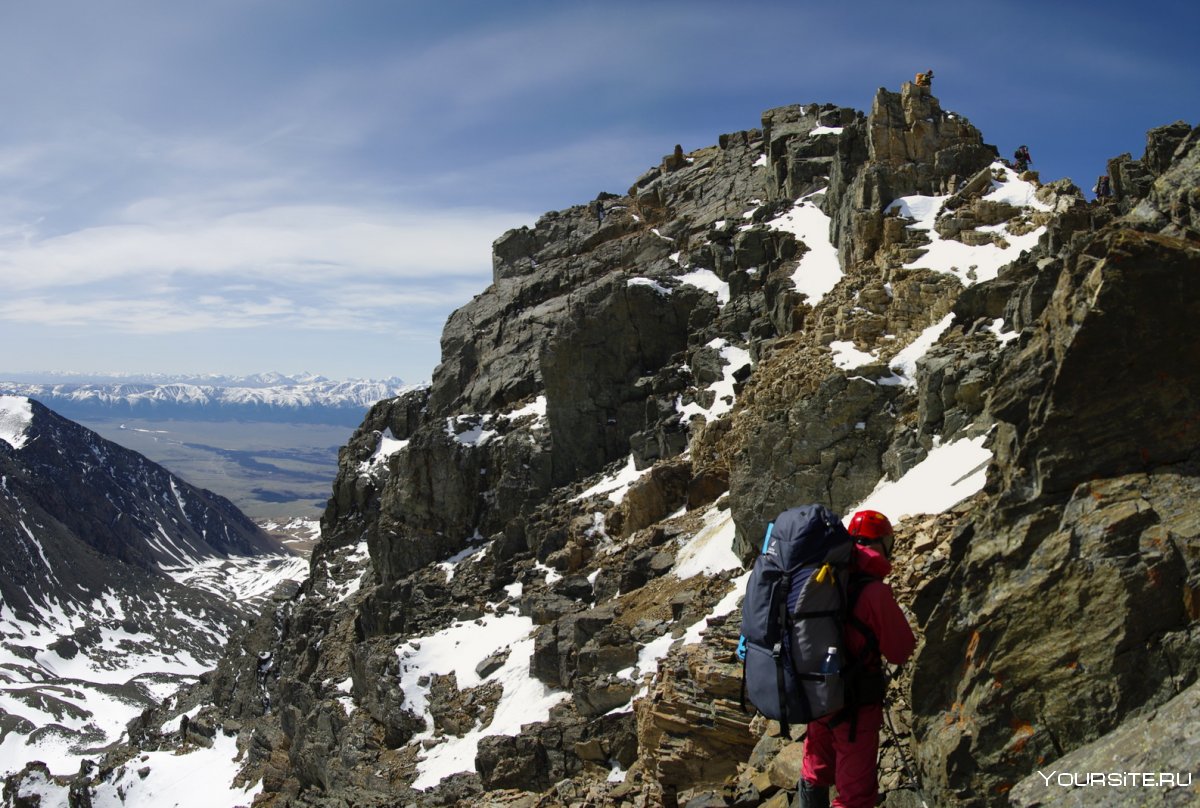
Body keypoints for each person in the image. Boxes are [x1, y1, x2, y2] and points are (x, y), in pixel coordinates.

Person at [798, 510, 917, 808]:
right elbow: (900, 650)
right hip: (854, 705)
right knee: (856, 796)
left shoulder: (825, 578)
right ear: (882, 544)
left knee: (815, 768)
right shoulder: (874, 592)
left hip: (817, 694)